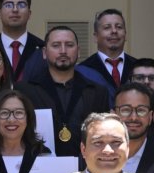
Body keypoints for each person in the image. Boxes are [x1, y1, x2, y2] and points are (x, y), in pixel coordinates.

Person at [22, 26, 110, 157]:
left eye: (69, 45)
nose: (63, 51)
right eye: (56, 45)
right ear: (44, 52)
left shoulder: (97, 92)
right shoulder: (25, 91)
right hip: (41, 164)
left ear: (78, 51)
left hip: (86, 164)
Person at [81, 9, 149, 100]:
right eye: (107, 27)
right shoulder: (83, 70)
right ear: (96, 36)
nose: (114, 31)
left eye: (119, 27)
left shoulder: (138, 66)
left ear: (125, 35)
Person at [0, 0, 45, 83]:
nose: (15, 10)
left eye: (21, 5)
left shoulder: (43, 50)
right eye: (8, 5)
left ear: (29, 14)